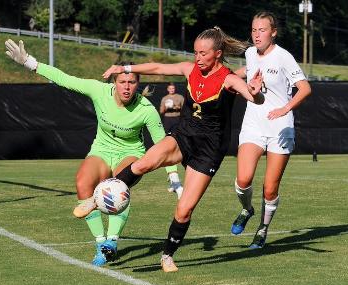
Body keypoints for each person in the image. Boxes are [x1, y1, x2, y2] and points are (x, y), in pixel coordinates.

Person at [4, 39, 183, 266]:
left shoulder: (146, 109)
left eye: (131, 82)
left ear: (138, 84)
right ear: (113, 81)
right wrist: (30, 63)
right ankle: (101, 245)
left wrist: (173, 176)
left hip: (131, 152)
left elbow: (162, 145)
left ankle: (113, 241)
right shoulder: (99, 91)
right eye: (122, 82)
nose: (126, 86)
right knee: (82, 184)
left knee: (118, 185)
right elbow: (65, 79)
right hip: (101, 149)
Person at [101, 27, 264, 272]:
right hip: (184, 135)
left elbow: (254, 99)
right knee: (145, 162)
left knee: (184, 209)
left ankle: (167, 255)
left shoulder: (229, 79)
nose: (197, 58)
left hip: (209, 149)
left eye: (203, 53)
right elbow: (157, 68)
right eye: (195, 52)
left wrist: (255, 92)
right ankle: (98, 198)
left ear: (217, 54)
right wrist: (123, 69)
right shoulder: (191, 69)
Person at [230, 12, 311, 249]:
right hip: (254, 123)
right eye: (254, 30)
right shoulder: (249, 53)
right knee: (243, 179)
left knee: (270, 187)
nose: (256, 35)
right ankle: (247, 209)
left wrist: (286, 108)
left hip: (280, 128)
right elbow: (248, 71)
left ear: (273, 32)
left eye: (262, 30)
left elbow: (305, 88)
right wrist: (229, 79)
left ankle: (263, 229)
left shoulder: (284, 57)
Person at [159, 82, 184, 196]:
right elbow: (161, 111)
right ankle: (173, 183)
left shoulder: (180, 97)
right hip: (168, 120)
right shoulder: (164, 98)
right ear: (168, 89)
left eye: (173, 88)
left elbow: (185, 110)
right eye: (170, 88)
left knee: (179, 144)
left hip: (177, 119)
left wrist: (177, 107)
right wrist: (166, 107)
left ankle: (174, 181)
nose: (171, 90)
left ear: (175, 89)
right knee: (167, 145)